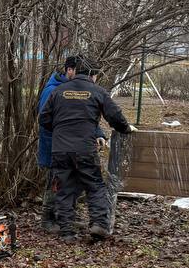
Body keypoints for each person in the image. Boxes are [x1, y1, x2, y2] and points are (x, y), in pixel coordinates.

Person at [39, 56, 134, 242]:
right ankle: (98, 224)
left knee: (64, 189)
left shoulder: (58, 91)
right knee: (95, 186)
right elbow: (115, 116)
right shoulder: (97, 91)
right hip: (85, 149)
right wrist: (125, 129)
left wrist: (60, 131)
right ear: (92, 75)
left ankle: (66, 231)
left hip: (60, 149)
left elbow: (44, 119)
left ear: (76, 71)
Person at [37, 58, 76, 233]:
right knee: (55, 181)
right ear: (69, 70)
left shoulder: (70, 90)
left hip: (66, 145)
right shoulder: (52, 90)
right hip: (54, 146)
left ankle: (63, 217)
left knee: (67, 182)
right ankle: (47, 219)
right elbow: (44, 119)